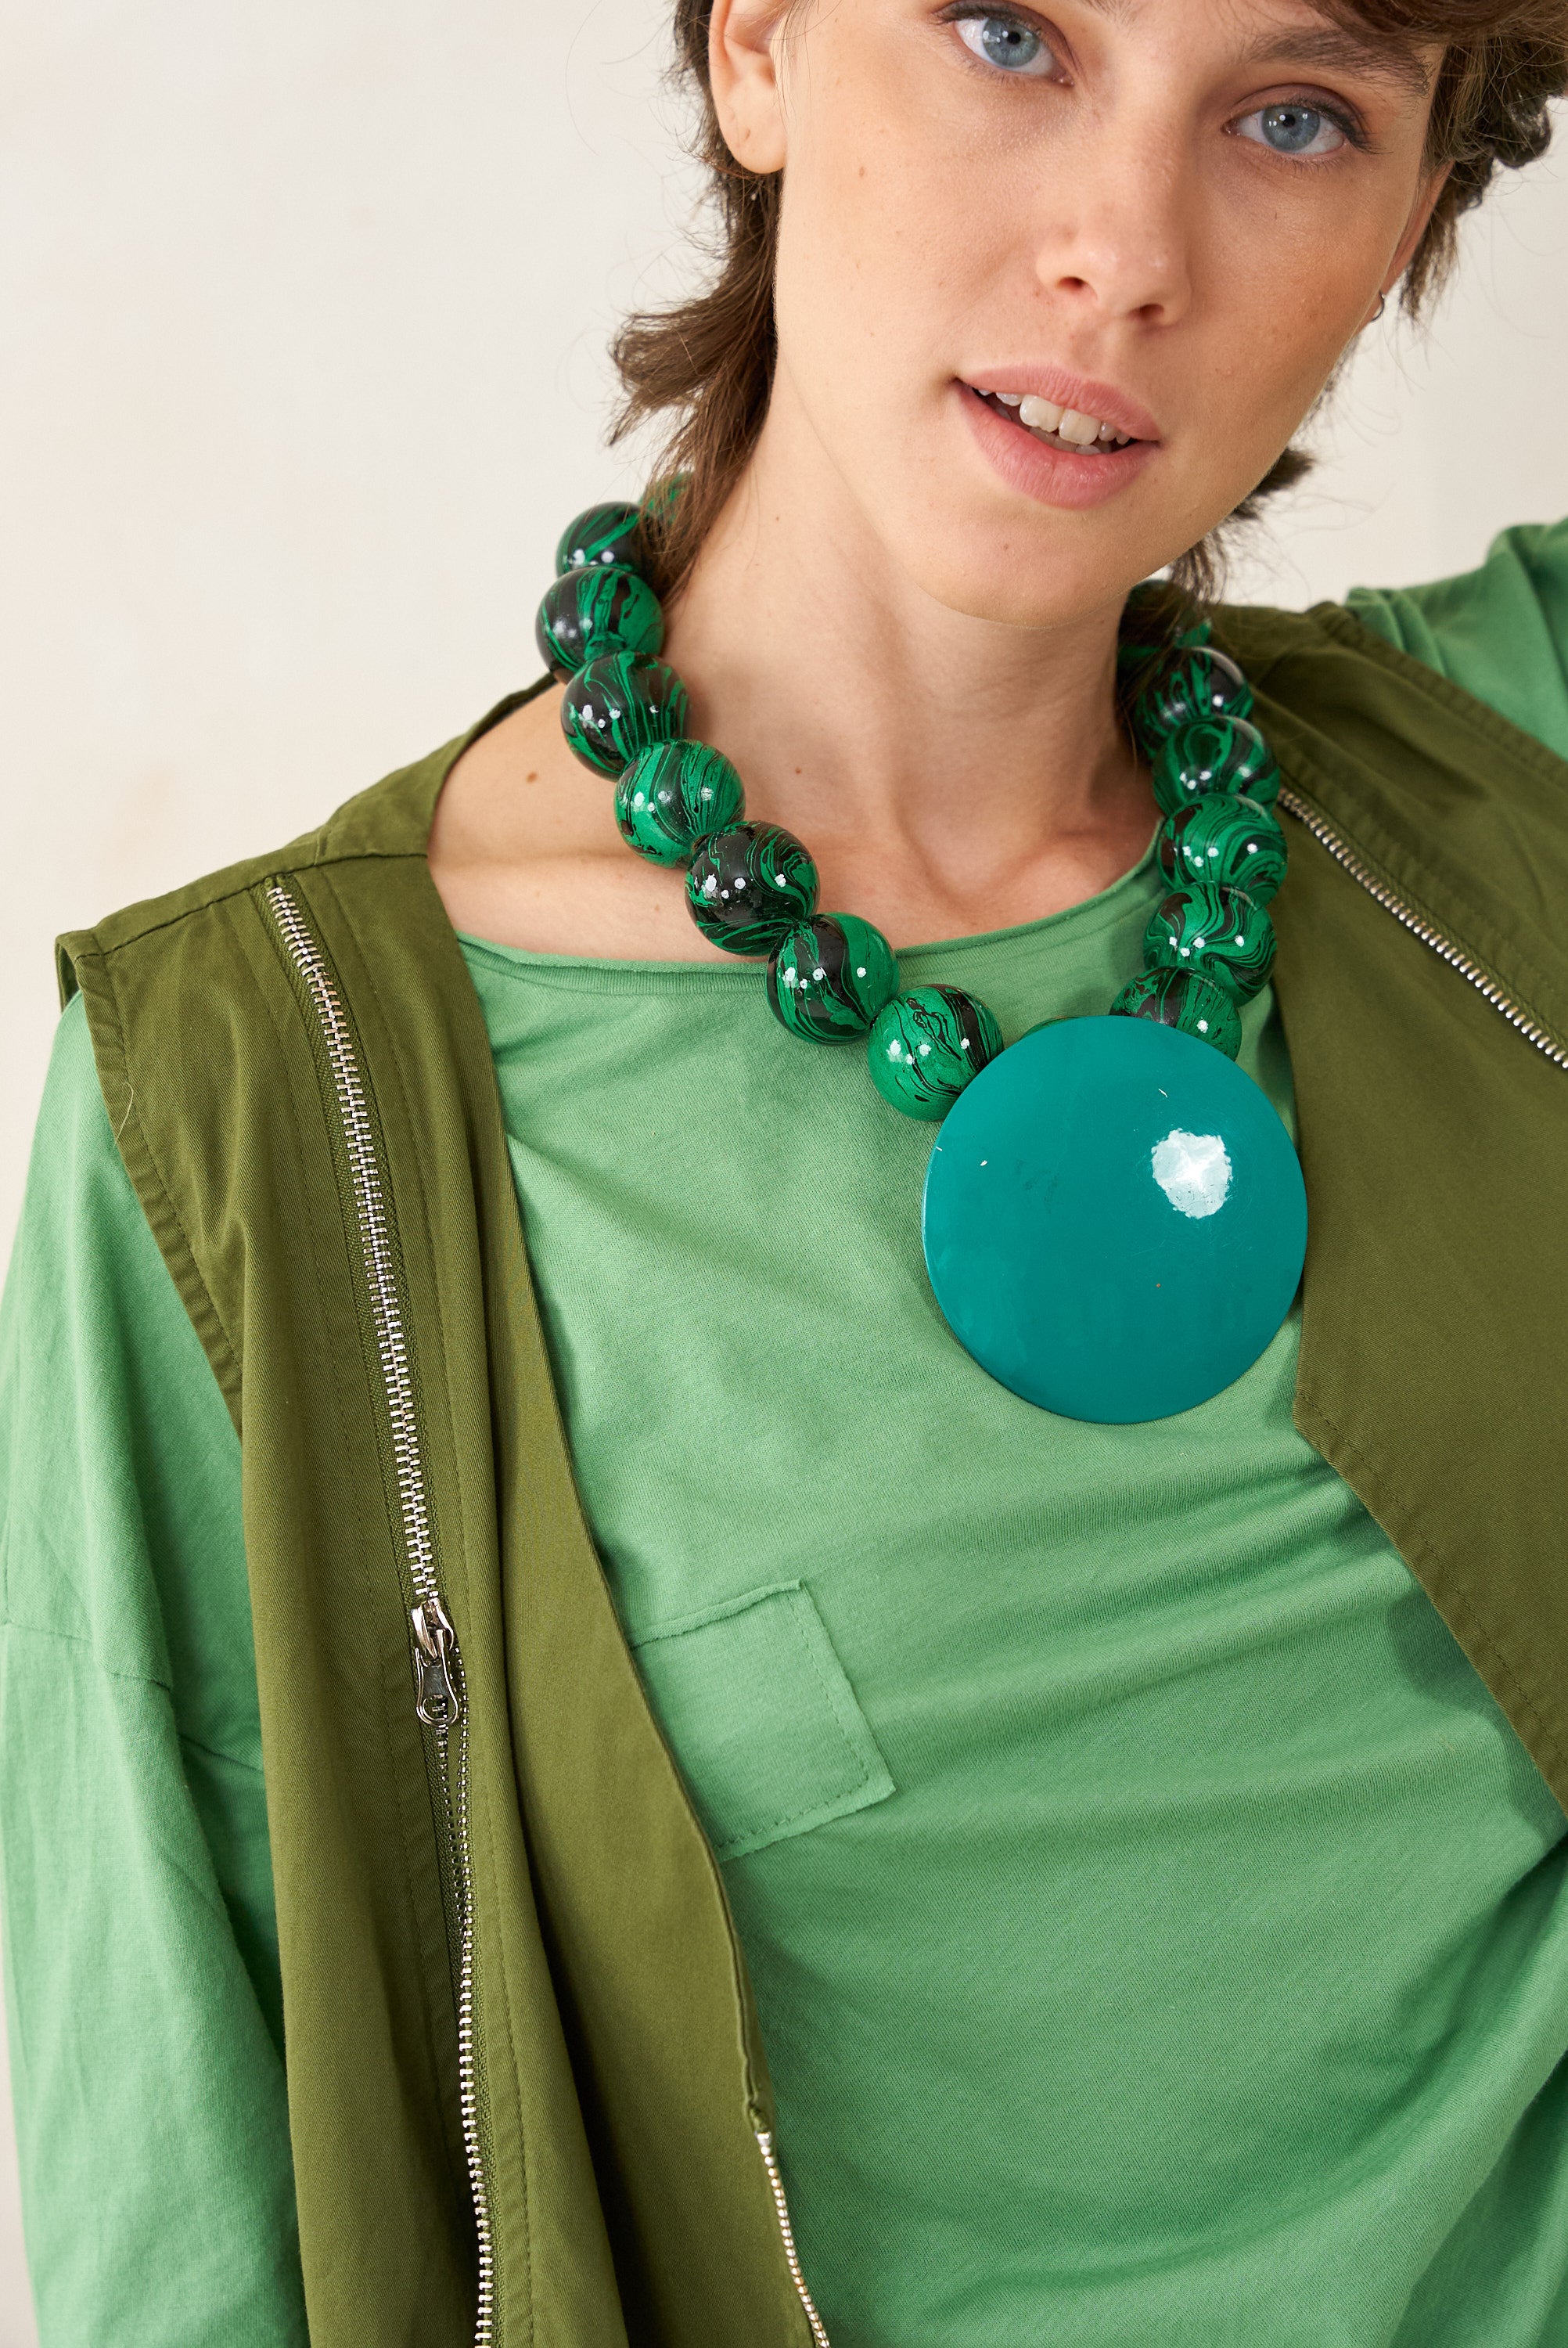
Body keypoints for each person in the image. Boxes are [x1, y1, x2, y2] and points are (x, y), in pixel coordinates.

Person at [4, 0, 1568, 2340]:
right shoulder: (264, 1104)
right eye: (1009, 35)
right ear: (754, 44)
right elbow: (188, 2218)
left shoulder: (1501, 766)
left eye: (1293, 116)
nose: (1123, 250)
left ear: (1418, 213)